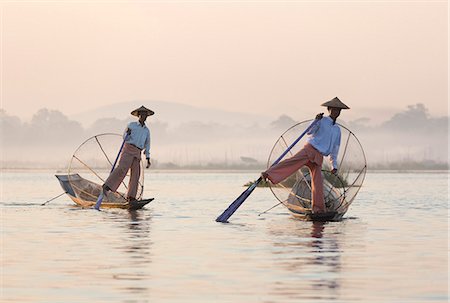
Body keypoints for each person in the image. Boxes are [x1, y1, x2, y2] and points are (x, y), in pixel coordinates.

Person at [262, 97, 350, 214]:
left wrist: (334, 165)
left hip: (319, 156)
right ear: (329, 110)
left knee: (318, 182)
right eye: (334, 110)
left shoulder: (337, 130)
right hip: (310, 149)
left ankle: (318, 210)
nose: (336, 112)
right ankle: (268, 174)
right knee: (292, 163)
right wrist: (315, 121)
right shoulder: (322, 121)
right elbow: (309, 131)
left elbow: (335, 149)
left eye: (338, 110)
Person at [102, 105, 154, 202]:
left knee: (136, 174)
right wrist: (127, 133)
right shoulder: (131, 125)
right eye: (142, 114)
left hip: (137, 152)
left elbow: (147, 144)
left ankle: (131, 197)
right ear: (138, 115)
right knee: (122, 168)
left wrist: (147, 158)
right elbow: (125, 137)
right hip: (128, 149)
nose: (144, 116)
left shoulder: (146, 130)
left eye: (145, 115)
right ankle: (107, 186)